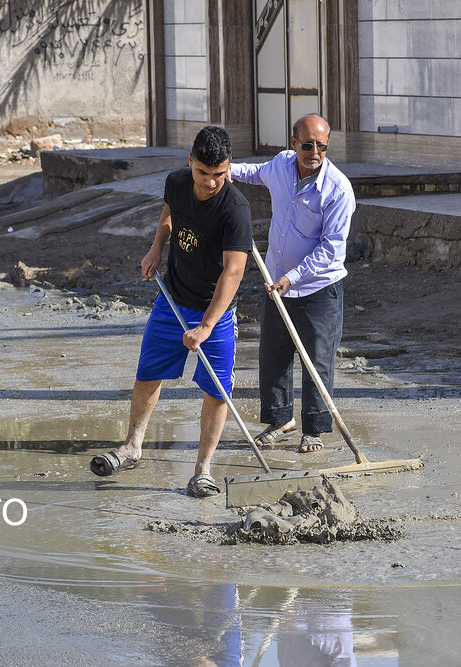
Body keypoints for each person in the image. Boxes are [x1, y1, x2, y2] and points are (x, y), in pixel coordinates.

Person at [90, 125, 253, 498]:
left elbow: (234, 272)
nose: (211, 183)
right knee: (149, 373)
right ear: (190, 162)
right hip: (172, 298)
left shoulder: (235, 209)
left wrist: (208, 325)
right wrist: (155, 249)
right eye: (203, 173)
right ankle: (132, 447)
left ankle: (202, 469)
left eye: (220, 175)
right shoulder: (177, 182)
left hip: (216, 311)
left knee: (216, 391)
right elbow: (169, 215)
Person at [229, 113, 355, 453]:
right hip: (277, 284)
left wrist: (293, 277)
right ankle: (280, 420)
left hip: (318, 288)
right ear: (293, 142)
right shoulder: (281, 165)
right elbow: (254, 174)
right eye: (308, 145)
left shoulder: (338, 189)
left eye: (322, 146)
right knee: (273, 355)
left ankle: (313, 429)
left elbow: (331, 248)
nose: (314, 152)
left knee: (317, 360)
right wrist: (225, 170)